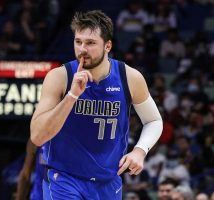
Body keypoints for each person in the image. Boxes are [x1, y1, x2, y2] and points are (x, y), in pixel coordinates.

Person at [30, 10, 163, 199]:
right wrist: (72, 96)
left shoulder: (130, 77)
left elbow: (154, 120)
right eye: (78, 42)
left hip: (107, 182)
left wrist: (140, 151)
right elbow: (37, 136)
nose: (82, 49)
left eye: (90, 43)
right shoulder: (59, 77)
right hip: (65, 179)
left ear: (107, 45)